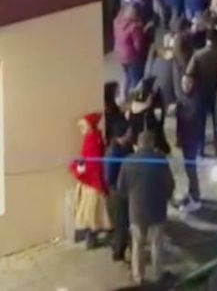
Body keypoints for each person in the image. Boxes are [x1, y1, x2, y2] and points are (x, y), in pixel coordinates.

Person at [116, 129, 175, 286]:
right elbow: (170, 184)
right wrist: (166, 196)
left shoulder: (128, 161)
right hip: (157, 209)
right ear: (152, 143)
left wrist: (131, 197)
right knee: (157, 244)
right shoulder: (160, 160)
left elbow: (121, 188)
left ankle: (138, 277)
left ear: (138, 144)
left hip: (136, 210)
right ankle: (158, 275)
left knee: (137, 245)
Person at [70, 113, 110, 248]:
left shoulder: (92, 140)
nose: (81, 129)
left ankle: (91, 239)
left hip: (91, 182)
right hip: (92, 181)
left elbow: (91, 162)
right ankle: (93, 237)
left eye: (83, 126)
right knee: (93, 211)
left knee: (91, 211)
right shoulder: (95, 138)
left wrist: (79, 168)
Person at [174, 72, 206, 211]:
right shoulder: (183, 97)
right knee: (188, 168)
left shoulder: (196, 100)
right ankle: (192, 192)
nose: (185, 86)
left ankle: (196, 198)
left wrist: (177, 111)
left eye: (187, 83)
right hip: (185, 138)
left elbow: (190, 117)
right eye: (183, 83)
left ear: (192, 84)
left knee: (191, 169)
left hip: (192, 139)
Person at [104, 126, 134, 263]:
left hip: (124, 190)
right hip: (118, 192)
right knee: (121, 223)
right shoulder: (114, 152)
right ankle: (119, 251)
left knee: (124, 222)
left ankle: (122, 248)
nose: (131, 133)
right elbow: (109, 176)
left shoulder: (124, 147)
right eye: (128, 131)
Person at [114, 3, 149, 93]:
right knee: (135, 79)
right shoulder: (134, 27)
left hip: (120, 55)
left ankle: (124, 95)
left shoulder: (117, 22)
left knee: (127, 76)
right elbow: (138, 46)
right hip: (131, 57)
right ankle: (133, 96)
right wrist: (144, 31)